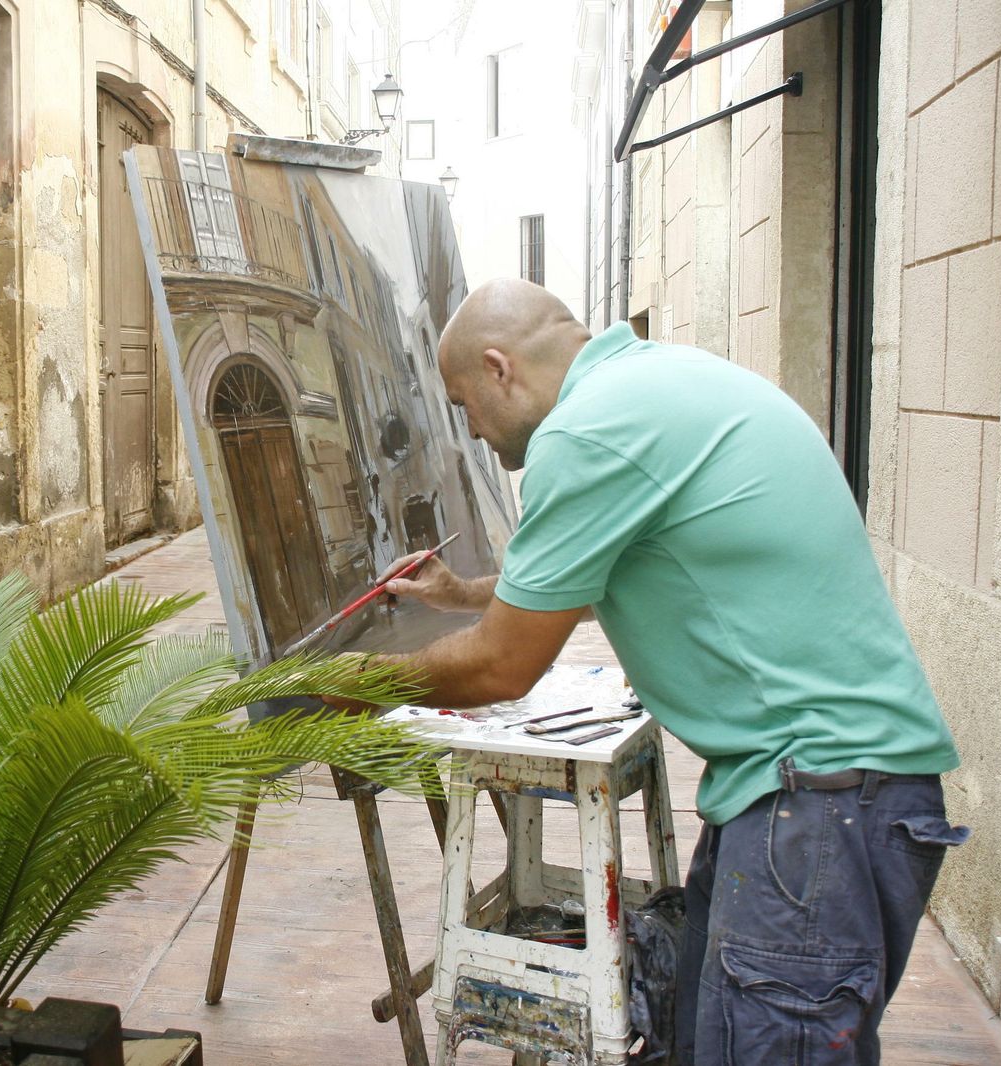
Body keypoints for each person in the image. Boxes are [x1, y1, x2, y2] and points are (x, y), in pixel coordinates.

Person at [334, 278, 966, 1064]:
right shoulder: (655, 383)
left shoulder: (586, 432)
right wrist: (463, 594)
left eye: (464, 404)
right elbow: (602, 572)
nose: (470, 430)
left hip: (816, 806)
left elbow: (502, 665)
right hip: (824, 794)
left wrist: (355, 683)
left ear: (499, 368)